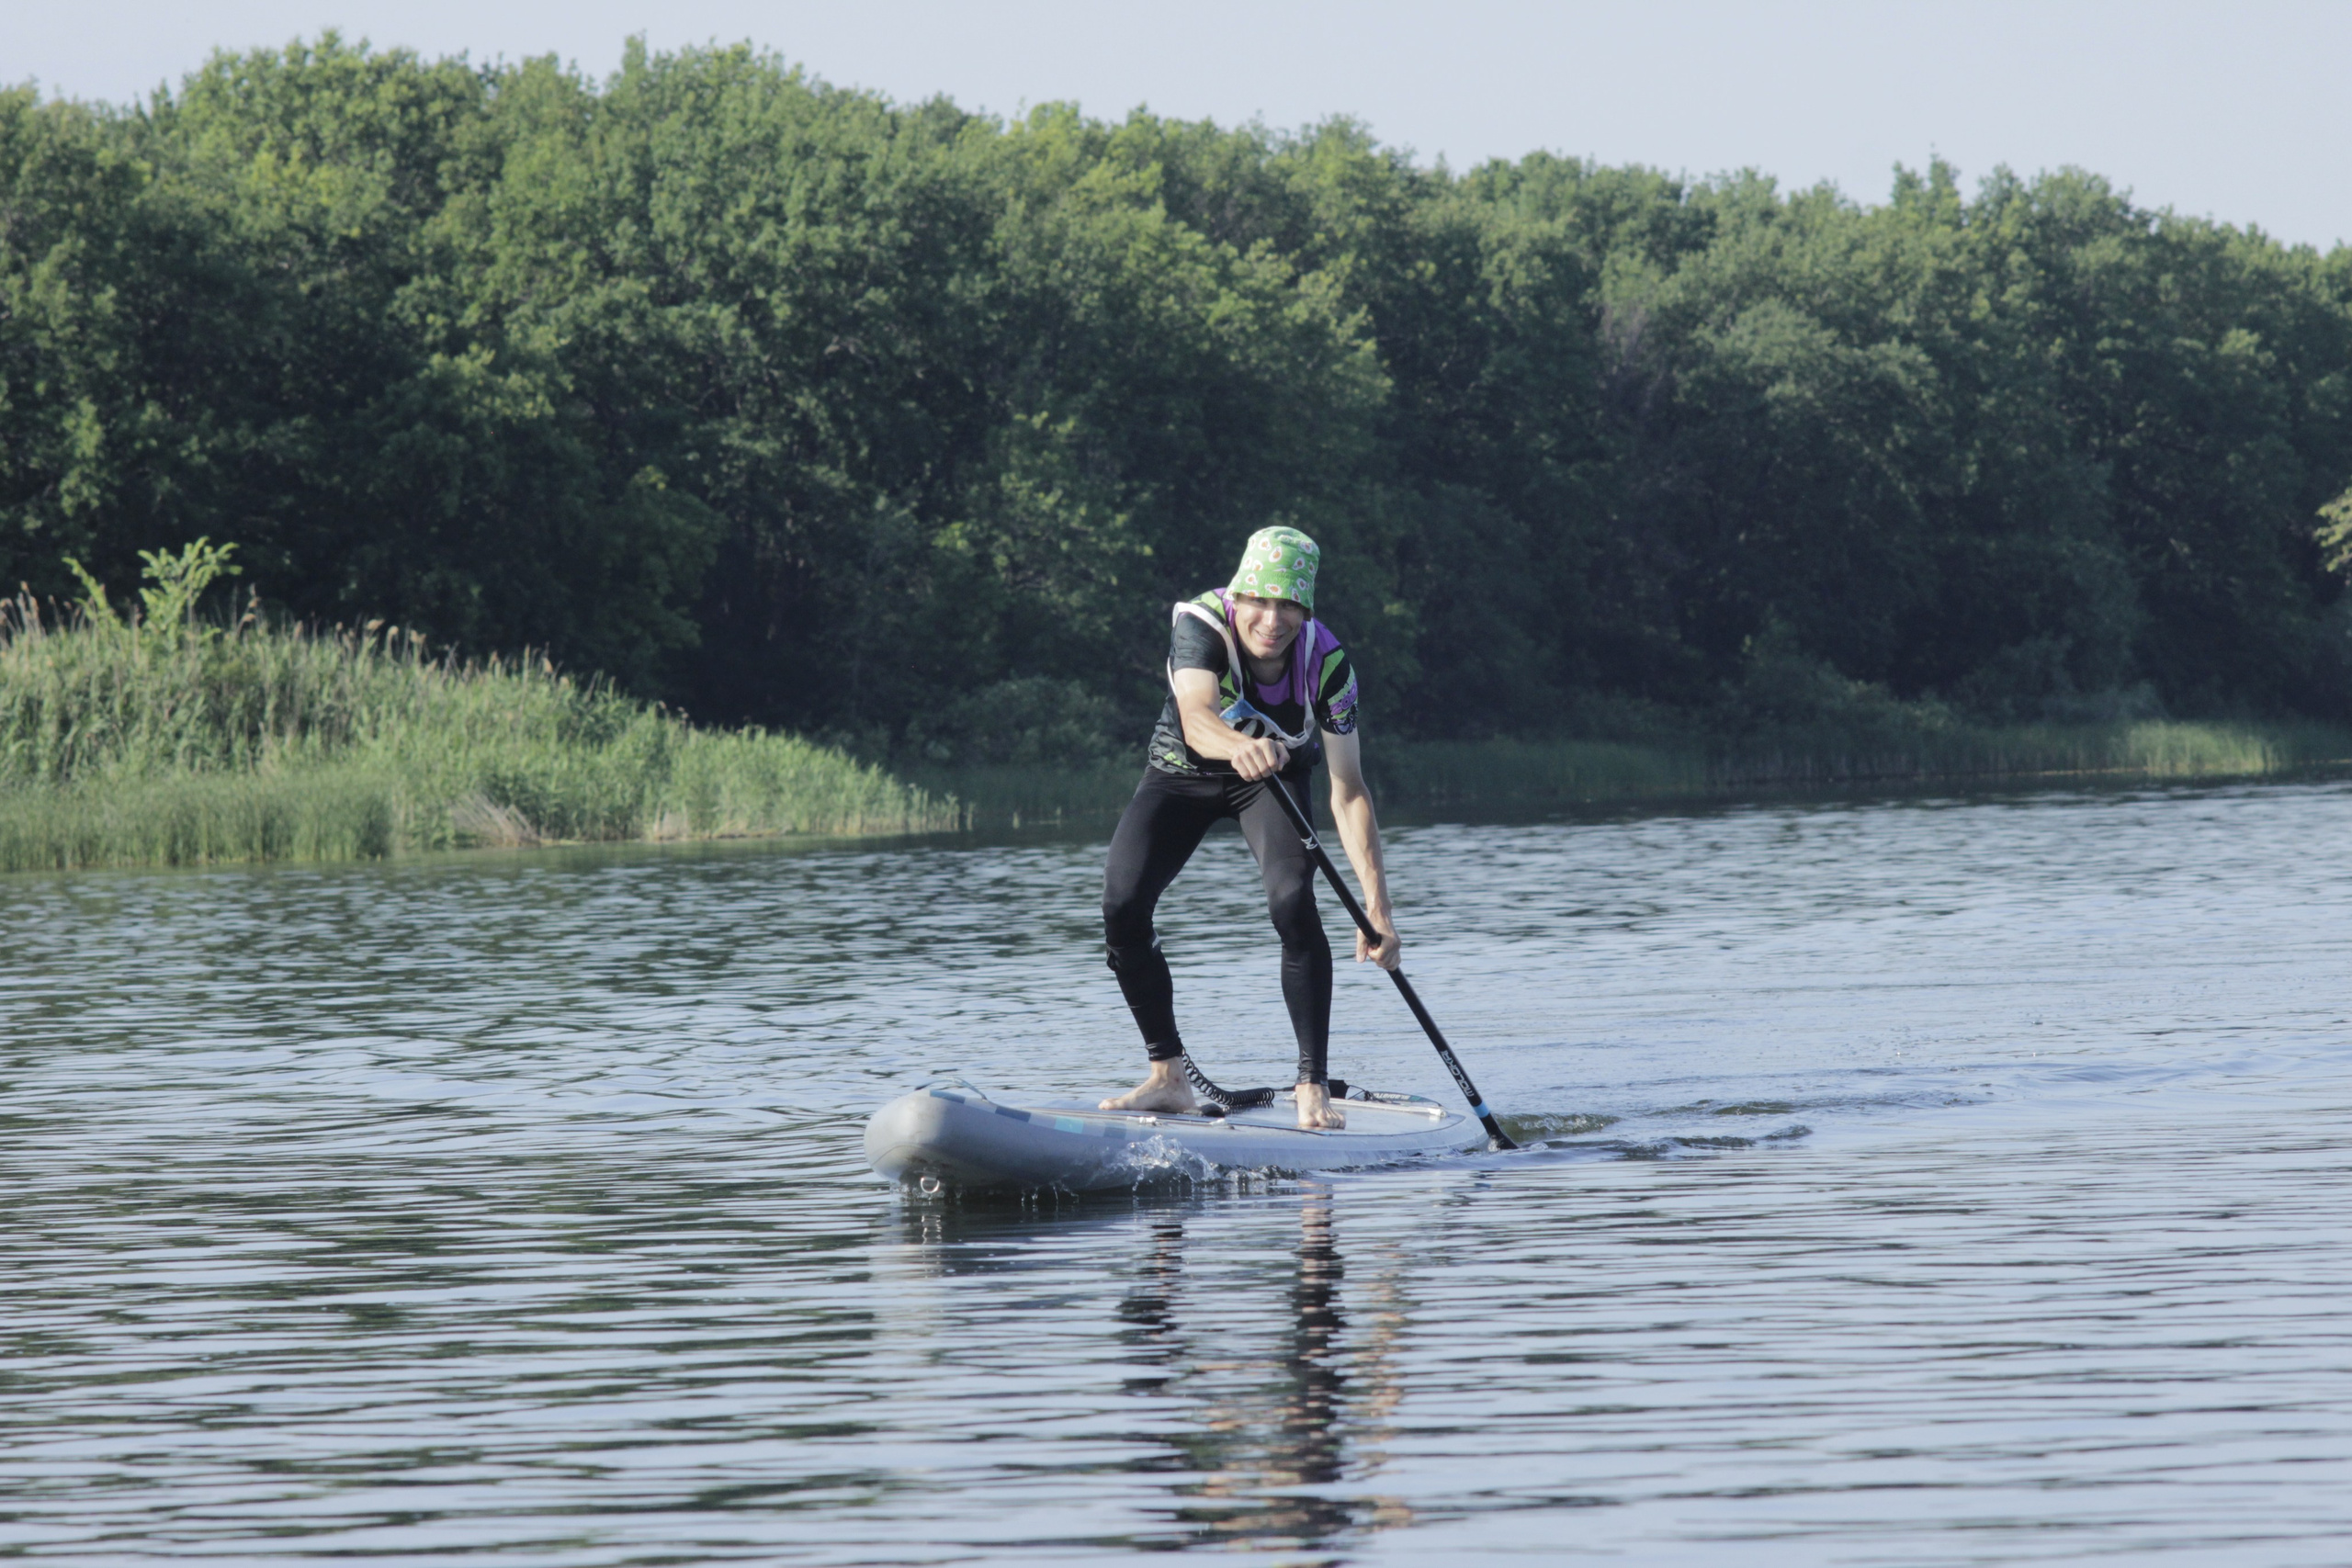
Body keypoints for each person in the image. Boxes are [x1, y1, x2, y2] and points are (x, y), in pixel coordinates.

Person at [1099, 525, 1400, 1131]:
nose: (1272, 619)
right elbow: (1197, 715)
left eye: (1289, 603)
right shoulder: (1201, 626)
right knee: (1122, 905)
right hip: (1182, 771)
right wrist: (1238, 743)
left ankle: (1311, 1084)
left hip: (1272, 779)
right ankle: (1168, 1077)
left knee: (1293, 901)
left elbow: (1349, 789)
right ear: (1238, 599)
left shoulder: (1330, 665)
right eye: (1259, 600)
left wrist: (1378, 907)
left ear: (1305, 610)